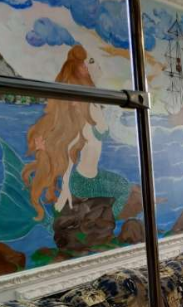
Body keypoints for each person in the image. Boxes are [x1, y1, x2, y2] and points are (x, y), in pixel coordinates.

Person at [22, 45, 131, 221]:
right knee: (124, 189)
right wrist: (65, 192)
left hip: (91, 176)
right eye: (90, 62)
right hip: (85, 182)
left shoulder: (92, 107)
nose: (96, 66)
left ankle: (101, 222)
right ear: (84, 70)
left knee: (124, 186)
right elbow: (70, 154)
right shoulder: (88, 112)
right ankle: (104, 223)